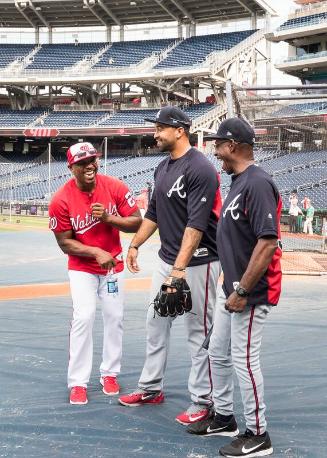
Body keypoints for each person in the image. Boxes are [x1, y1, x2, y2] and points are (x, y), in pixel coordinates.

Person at [118, 106, 222, 426]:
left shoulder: (201, 168)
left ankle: (204, 401)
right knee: (155, 323)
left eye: (161, 127)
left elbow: (196, 225)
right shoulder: (163, 168)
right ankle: (151, 388)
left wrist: (179, 270)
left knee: (198, 332)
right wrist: (135, 244)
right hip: (168, 261)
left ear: (179, 130)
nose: (155, 133)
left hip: (199, 263)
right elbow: (153, 214)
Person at [187, 118, 282, 458]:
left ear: (233, 145)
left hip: (250, 293)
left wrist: (242, 290)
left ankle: (258, 433)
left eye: (219, 144)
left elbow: (268, 242)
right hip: (232, 288)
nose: (216, 152)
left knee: (243, 359)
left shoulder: (257, 183)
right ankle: (224, 416)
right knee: (217, 352)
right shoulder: (239, 182)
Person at [48, 142, 142, 405]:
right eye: (82, 162)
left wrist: (110, 219)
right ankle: (78, 382)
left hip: (113, 265)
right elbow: (64, 242)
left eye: (93, 159)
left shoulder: (114, 186)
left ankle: (109, 373)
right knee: (84, 317)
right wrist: (95, 252)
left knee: (115, 317)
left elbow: (137, 221)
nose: (89, 165)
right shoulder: (60, 200)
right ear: (71, 168)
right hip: (83, 268)